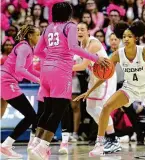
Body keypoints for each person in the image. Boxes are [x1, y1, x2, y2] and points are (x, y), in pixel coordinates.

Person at [74, 20, 145, 159]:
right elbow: (105, 75)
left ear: (136, 38)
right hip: (130, 88)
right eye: (124, 36)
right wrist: (89, 91)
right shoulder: (118, 54)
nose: (126, 39)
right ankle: (100, 144)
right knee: (106, 107)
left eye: (129, 36)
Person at [28, 2, 109, 160]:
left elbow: (37, 51)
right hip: (60, 72)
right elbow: (73, 47)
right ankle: (42, 147)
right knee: (58, 111)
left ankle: (34, 144)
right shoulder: (70, 26)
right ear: (68, 13)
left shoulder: (48, 28)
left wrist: (51, 58)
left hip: (46, 71)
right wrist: (95, 58)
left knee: (47, 110)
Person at [70, 22, 121, 154]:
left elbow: (82, 66)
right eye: (77, 30)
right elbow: (73, 59)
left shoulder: (93, 44)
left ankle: (112, 139)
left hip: (106, 78)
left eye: (82, 29)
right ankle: (110, 136)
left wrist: (62, 68)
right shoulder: (80, 44)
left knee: (102, 108)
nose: (79, 32)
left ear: (88, 31)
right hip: (94, 77)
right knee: (90, 108)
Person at [0, 24, 40, 159]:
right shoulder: (24, 47)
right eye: (37, 35)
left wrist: (44, 77)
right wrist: (38, 80)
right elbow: (20, 70)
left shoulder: (28, 48)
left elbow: (30, 69)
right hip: (7, 81)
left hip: (5, 79)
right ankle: (6, 145)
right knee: (31, 116)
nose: (39, 38)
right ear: (30, 36)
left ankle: (6, 145)